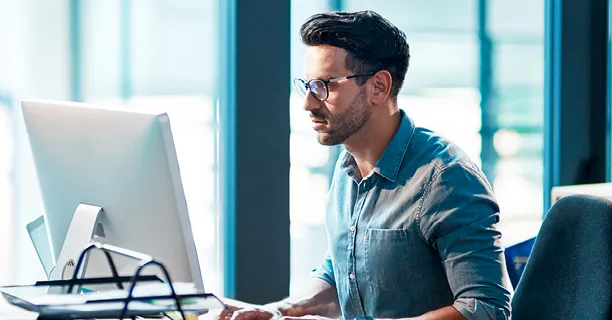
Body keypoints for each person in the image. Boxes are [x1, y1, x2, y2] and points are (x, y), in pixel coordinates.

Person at [218, 10, 512, 320]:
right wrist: (276, 312)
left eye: (324, 85)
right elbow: (340, 272)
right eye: (307, 85)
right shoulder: (347, 167)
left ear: (378, 87)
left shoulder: (447, 179)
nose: (308, 102)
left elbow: (486, 310)